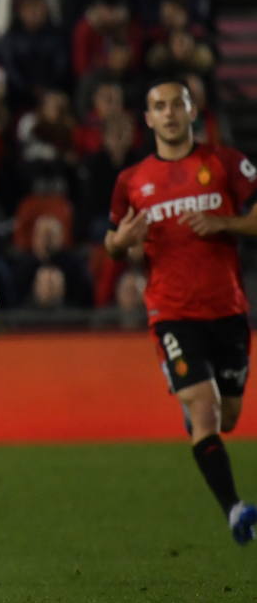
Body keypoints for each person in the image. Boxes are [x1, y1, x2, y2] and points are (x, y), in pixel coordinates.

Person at [104, 78, 257, 545]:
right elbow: (113, 244)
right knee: (206, 410)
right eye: (159, 107)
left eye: (177, 105)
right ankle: (234, 509)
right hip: (171, 312)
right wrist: (123, 243)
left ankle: (201, 416)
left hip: (228, 309)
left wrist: (224, 222)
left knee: (228, 417)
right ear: (147, 119)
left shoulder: (225, 163)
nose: (169, 114)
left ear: (192, 111)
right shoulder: (132, 181)